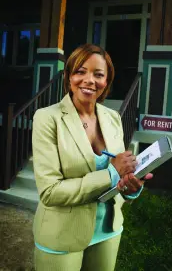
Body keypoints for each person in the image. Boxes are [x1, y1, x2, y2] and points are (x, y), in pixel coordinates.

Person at [32, 43, 153, 271]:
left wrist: (131, 186)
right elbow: (50, 192)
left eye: (98, 74)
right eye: (80, 71)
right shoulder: (47, 118)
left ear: (106, 82)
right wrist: (111, 173)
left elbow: (119, 173)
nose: (89, 80)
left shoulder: (113, 117)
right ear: (68, 76)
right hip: (62, 235)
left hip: (107, 230)